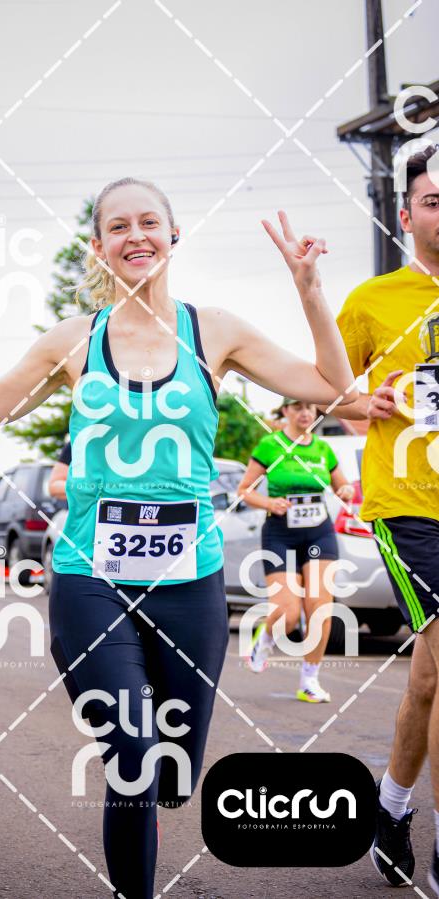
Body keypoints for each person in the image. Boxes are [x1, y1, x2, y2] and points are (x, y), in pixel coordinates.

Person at [0, 176, 355, 899]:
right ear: (98, 246)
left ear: (174, 235)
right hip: (92, 579)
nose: (135, 235)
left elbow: (331, 384)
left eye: (149, 222)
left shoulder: (215, 332)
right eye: (118, 226)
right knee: (133, 756)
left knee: (172, 774)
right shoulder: (74, 341)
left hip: (189, 582)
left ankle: (154, 797)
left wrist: (309, 289)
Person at [331, 145, 439, 893]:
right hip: (409, 507)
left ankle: (391, 809)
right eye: (433, 200)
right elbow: (324, 386)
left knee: (428, 679)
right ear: (405, 215)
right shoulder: (372, 300)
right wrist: (358, 402)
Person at [238, 398, 355, 702]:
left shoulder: (323, 448)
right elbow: (244, 490)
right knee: (288, 614)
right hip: (280, 533)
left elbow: (343, 486)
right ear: (286, 411)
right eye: (298, 407)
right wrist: (268, 502)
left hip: (319, 533)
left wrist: (345, 490)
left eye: (310, 408)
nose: (305, 412)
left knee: (320, 610)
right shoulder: (270, 445)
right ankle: (265, 638)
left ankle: (309, 680)